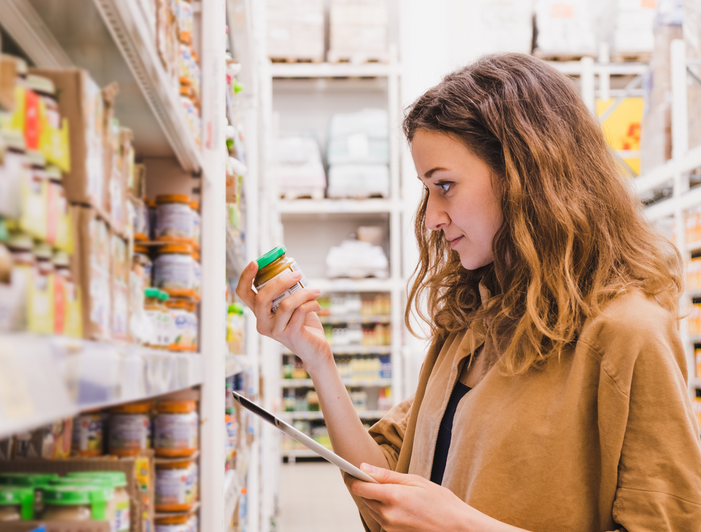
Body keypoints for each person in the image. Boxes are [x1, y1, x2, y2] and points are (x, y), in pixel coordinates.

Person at [236, 53, 701, 531]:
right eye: (426, 190)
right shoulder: (469, 322)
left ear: (526, 174)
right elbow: (385, 488)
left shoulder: (627, 335)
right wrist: (317, 360)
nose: (433, 216)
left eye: (445, 185)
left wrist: (461, 526)